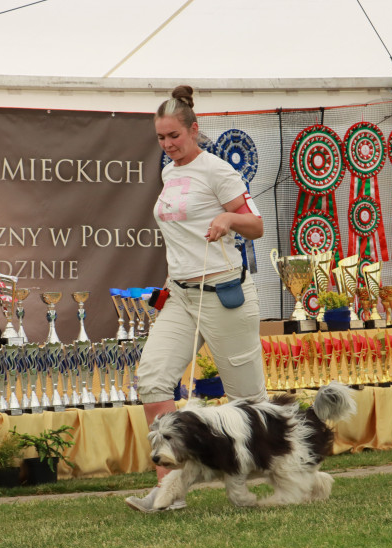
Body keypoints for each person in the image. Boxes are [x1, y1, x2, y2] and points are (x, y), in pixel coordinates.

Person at [125, 85, 268, 513]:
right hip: (181, 297)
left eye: (174, 137)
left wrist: (227, 217)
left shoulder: (217, 170)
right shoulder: (169, 173)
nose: (168, 145)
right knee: (151, 377)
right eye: (161, 138)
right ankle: (169, 492)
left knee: (249, 401)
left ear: (194, 130)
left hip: (225, 295)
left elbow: (256, 226)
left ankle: (287, 471)